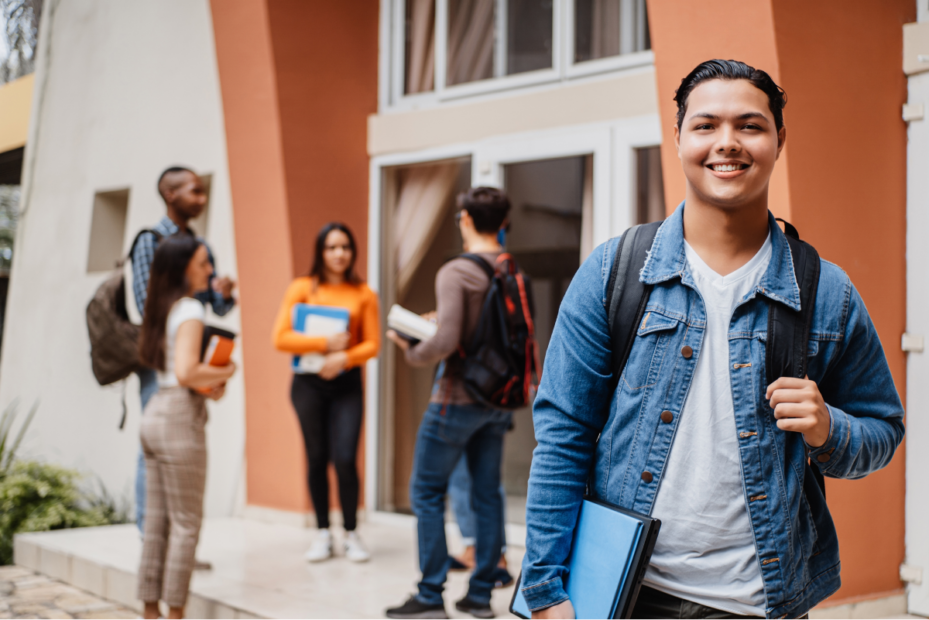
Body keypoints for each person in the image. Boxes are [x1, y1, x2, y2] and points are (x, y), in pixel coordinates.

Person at [520, 59, 905, 620]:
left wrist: (828, 428)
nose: (728, 143)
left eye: (750, 125)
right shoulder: (614, 272)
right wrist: (546, 591)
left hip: (761, 600)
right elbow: (562, 438)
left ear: (778, 139)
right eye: (705, 126)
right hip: (624, 594)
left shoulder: (825, 292)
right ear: (677, 137)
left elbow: (883, 430)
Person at [385, 187, 514, 620]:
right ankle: (481, 596)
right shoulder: (511, 270)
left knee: (425, 490)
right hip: (497, 400)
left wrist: (408, 347)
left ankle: (429, 593)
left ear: (463, 219)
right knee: (487, 495)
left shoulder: (456, 271)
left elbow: (446, 342)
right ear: (503, 222)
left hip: (456, 399)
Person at [136, 234, 237, 620]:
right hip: (179, 419)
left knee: (157, 523)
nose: (210, 270)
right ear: (183, 268)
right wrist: (230, 368)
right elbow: (187, 372)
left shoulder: (162, 307)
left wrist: (208, 382)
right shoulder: (191, 309)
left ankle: (150, 610)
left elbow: (177, 373)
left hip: (155, 413)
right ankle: (175, 614)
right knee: (186, 525)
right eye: (202, 263)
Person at [132, 166, 236, 533]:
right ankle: (150, 534)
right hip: (161, 364)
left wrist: (222, 293)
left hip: (190, 357)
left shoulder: (200, 245)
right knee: (155, 455)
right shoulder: (150, 241)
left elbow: (216, 307)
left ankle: (174, 541)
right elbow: (149, 307)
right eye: (195, 191)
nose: (202, 199)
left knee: (181, 455)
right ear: (170, 194)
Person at [272, 222, 380, 563]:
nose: (339, 254)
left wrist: (343, 357)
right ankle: (322, 533)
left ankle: (351, 532)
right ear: (321, 251)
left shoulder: (364, 294)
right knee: (316, 457)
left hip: (347, 384)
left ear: (353, 252)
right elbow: (281, 337)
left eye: (345, 247)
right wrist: (324, 344)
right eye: (332, 247)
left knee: (345, 459)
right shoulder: (302, 288)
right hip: (308, 385)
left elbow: (373, 344)